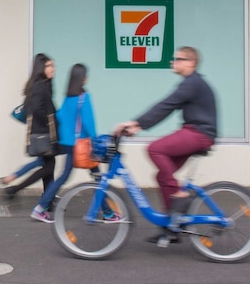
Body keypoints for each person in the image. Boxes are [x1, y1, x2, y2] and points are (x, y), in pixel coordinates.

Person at [114, 46, 217, 243]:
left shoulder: (192, 83)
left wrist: (138, 123)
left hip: (199, 133)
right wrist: (138, 125)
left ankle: (179, 195)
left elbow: (166, 105)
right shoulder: (190, 83)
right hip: (195, 132)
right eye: (173, 58)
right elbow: (166, 108)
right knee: (162, 175)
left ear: (191, 63)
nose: (173, 62)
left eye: (178, 59)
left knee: (155, 149)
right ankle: (173, 226)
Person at [31, 63, 118, 223]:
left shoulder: (69, 98)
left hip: (70, 144)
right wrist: (95, 140)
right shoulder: (84, 97)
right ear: (83, 78)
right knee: (96, 177)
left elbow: (61, 117)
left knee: (78, 176)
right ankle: (40, 207)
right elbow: (88, 122)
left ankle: (108, 212)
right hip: (83, 145)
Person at [1, 53, 58, 205]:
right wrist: (50, 123)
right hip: (42, 133)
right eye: (49, 66)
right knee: (48, 167)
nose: (53, 69)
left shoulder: (42, 84)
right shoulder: (40, 85)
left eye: (53, 65)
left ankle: (48, 199)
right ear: (41, 68)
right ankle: (15, 189)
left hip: (42, 133)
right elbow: (38, 110)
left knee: (48, 166)